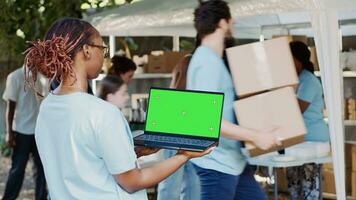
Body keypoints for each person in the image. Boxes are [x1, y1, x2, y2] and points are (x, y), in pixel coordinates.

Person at [23, 17, 213, 200]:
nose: (104, 55)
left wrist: (132, 150)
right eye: (102, 48)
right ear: (87, 51)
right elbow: (133, 181)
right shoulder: (103, 113)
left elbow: (80, 158)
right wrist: (184, 155)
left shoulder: (48, 107)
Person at [186, 1, 281, 199]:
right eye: (231, 22)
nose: (232, 27)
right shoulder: (207, 63)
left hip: (233, 161)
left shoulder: (213, 60)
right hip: (216, 163)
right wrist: (256, 136)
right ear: (222, 23)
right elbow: (206, 121)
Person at [286, 41, 330, 200]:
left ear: (297, 60)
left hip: (312, 141)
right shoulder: (295, 80)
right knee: (294, 186)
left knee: (308, 188)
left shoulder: (308, 80)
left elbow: (296, 110)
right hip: (299, 141)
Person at [2, 66, 47, 200]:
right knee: (17, 170)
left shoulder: (42, 78)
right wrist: (9, 132)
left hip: (39, 132)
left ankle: (41, 198)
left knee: (41, 170)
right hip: (21, 132)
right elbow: (10, 107)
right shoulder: (15, 77)